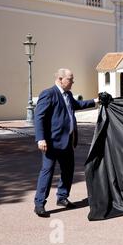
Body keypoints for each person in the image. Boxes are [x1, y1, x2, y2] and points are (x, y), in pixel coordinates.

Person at [33, 69, 99, 217]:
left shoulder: (68, 94)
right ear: (60, 79)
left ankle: (62, 197)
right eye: (70, 79)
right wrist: (40, 138)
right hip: (51, 143)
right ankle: (39, 204)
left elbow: (78, 105)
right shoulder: (48, 94)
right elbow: (39, 117)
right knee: (47, 172)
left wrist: (96, 100)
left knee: (68, 170)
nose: (72, 82)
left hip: (67, 142)